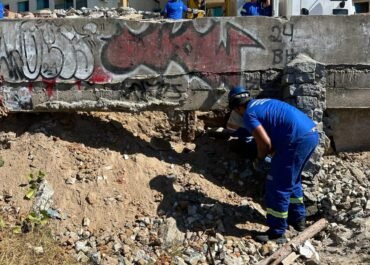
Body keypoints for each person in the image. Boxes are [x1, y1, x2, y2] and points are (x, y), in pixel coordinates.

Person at [228, 86, 319, 243]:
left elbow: (265, 143)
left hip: (295, 140)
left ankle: (277, 232)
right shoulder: (263, 103)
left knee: (277, 185)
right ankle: (298, 220)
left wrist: (259, 159)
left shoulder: (249, 114)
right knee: (292, 180)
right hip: (311, 134)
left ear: (237, 107)